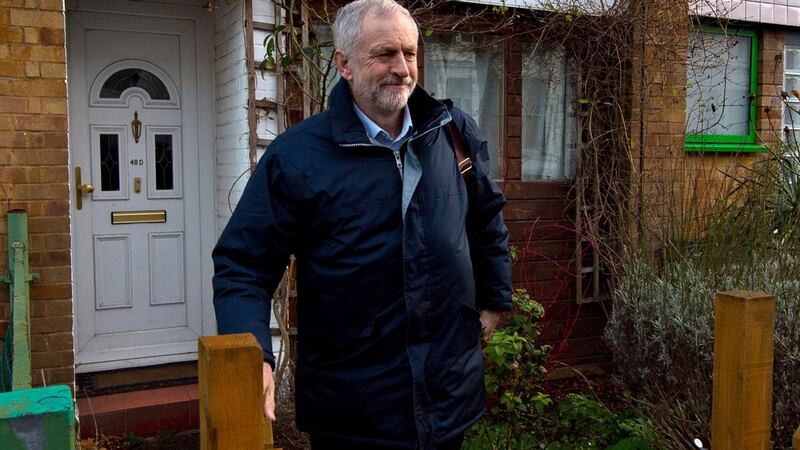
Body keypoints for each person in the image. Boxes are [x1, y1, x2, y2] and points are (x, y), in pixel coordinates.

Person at [212, 0, 512, 448]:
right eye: (385, 54)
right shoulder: (298, 156)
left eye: (409, 53)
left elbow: (485, 217)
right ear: (344, 64)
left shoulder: (451, 133)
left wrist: (493, 300)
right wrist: (251, 354)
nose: (403, 69)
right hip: (352, 407)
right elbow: (243, 264)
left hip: (447, 395)